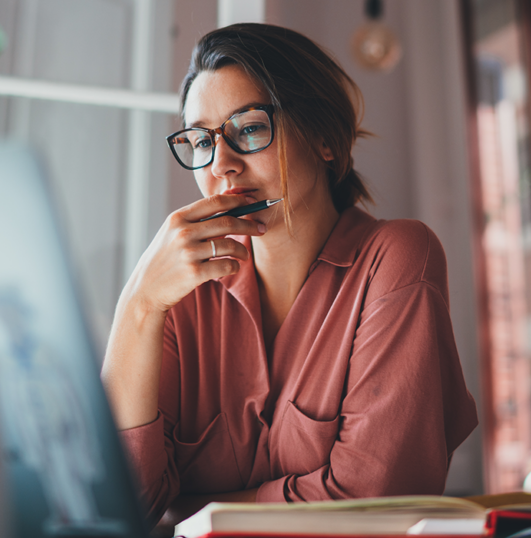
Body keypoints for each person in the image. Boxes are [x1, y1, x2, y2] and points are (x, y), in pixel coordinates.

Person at [101, 23, 478, 524]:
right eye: (200, 141)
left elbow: (372, 499)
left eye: (250, 128)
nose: (223, 166)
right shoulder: (178, 292)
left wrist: (191, 513)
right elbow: (120, 508)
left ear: (323, 137)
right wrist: (139, 305)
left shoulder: (397, 257)